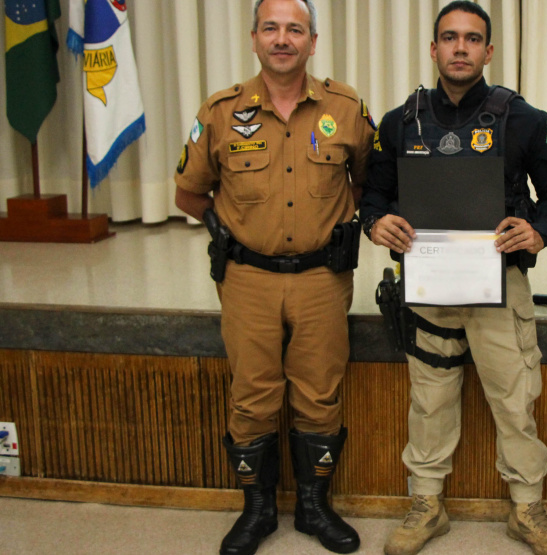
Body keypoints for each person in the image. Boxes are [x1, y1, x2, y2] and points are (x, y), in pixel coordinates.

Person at [360, 2, 547, 555]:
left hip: (498, 286)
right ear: (433, 49)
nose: (460, 48)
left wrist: (538, 233)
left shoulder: (524, 118)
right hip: (428, 289)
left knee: (514, 397)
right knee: (430, 398)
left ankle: (527, 507)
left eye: (472, 39)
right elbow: (374, 195)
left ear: (488, 50)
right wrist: (377, 222)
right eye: (449, 39)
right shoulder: (399, 121)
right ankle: (427, 503)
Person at [173, 1, 374, 554]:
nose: (282, 39)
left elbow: (365, 182)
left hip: (320, 280)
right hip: (248, 280)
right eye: (271, 28)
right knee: (252, 396)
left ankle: (313, 506)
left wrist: (329, 224)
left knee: (319, 394)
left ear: (313, 41)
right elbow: (188, 192)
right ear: (254, 39)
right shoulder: (219, 112)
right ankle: (257, 510)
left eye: (294, 29)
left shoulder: (346, 107)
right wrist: (227, 232)